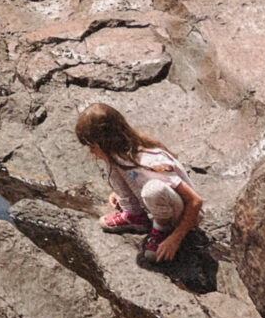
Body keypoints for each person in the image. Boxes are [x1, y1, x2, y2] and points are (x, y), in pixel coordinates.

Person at [75, 103, 203, 266]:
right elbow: (133, 177)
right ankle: (134, 216)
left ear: (106, 141)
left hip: (183, 214)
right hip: (158, 205)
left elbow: (195, 201)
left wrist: (176, 238)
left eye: (93, 146)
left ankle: (161, 228)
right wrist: (121, 194)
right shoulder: (120, 155)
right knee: (112, 161)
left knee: (153, 190)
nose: (91, 152)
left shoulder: (149, 163)